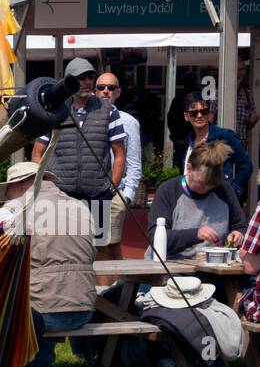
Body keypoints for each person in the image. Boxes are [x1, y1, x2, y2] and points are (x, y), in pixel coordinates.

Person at [0, 162, 96, 367]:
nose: (6, 198)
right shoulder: (81, 207)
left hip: (43, 313)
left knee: (14, 305)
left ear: (21, 185)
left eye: (8, 190)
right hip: (83, 310)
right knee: (47, 293)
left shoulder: (17, 209)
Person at [31, 58, 126, 247]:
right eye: (82, 77)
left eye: (91, 76)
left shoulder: (109, 111)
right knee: (60, 247)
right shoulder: (54, 110)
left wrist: (110, 189)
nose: (88, 81)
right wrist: (44, 188)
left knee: (99, 249)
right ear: (69, 80)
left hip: (98, 193)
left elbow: (120, 155)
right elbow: (37, 153)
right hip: (61, 194)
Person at [148, 139, 245, 260]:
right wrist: (195, 234)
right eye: (202, 183)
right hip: (173, 264)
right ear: (189, 168)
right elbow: (154, 236)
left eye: (212, 184)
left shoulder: (224, 190)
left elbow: (240, 226)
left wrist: (238, 234)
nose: (206, 188)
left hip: (212, 266)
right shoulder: (168, 191)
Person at [94, 72, 141, 272]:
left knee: (106, 246)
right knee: (99, 246)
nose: (106, 91)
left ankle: (110, 295)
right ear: (95, 92)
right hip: (91, 192)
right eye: (101, 87)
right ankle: (114, 293)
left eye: (111, 88)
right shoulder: (87, 119)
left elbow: (134, 162)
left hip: (114, 193)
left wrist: (126, 196)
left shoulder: (129, 122)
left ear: (118, 92)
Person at [179, 91, 252, 202]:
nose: (199, 115)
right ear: (186, 116)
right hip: (193, 201)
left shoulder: (224, 136)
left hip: (220, 199)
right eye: (194, 113)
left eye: (204, 111)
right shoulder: (189, 141)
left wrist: (233, 192)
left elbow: (246, 165)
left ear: (208, 113)